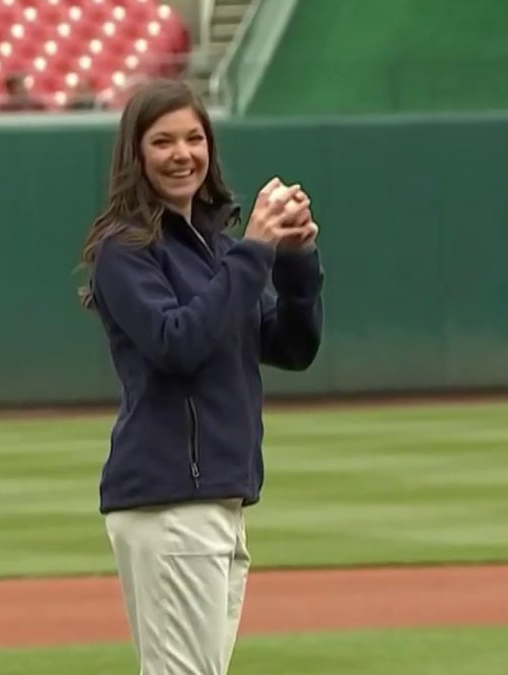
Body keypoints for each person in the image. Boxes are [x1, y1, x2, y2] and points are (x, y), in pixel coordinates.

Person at [76, 78, 324, 674]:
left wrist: (292, 260)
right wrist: (255, 250)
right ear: (136, 155)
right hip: (168, 500)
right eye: (162, 141)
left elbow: (290, 345)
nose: (181, 153)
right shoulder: (125, 250)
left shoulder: (214, 249)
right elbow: (176, 343)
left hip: (216, 497)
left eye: (194, 137)